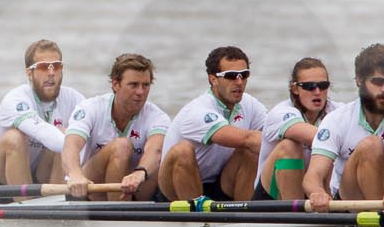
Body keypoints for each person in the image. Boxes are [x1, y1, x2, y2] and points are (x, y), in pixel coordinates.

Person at [303, 44, 384, 212]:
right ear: (359, 80)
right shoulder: (337, 119)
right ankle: (383, 221)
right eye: (378, 82)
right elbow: (313, 175)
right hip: (351, 198)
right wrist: (317, 193)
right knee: (371, 145)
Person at [0, 39, 87, 188]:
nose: (51, 73)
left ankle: (58, 203)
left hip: (35, 176)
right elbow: (42, 131)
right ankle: (28, 205)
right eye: (43, 67)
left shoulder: (74, 98)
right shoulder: (16, 99)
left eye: (56, 66)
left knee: (68, 135)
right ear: (29, 73)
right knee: (15, 138)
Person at [159, 45, 270, 200]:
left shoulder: (249, 104)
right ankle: (196, 219)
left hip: (219, 183)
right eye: (231, 75)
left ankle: (246, 218)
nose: (239, 82)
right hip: (176, 188)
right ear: (213, 79)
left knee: (251, 152)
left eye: (244, 75)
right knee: (182, 151)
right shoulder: (197, 111)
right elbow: (247, 139)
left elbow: (273, 133)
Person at [60, 53, 168, 201]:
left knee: (168, 157)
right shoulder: (90, 108)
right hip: (90, 187)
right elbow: (70, 146)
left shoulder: (157, 116)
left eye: (146, 85)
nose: (141, 92)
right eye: (133, 85)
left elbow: (156, 150)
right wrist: (75, 175)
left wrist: (140, 172)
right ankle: (121, 215)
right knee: (122, 146)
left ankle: (125, 211)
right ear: (116, 84)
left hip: (136, 188)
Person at [255, 57, 342, 198]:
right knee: (291, 146)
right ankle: (295, 212)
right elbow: (317, 137)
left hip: (316, 192)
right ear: (295, 89)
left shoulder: (339, 111)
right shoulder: (280, 113)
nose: (317, 91)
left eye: (323, 85)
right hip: (271, 197)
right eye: (309, 86)